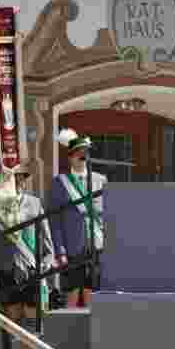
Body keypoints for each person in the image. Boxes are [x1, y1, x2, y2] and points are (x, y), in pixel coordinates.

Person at [0, 163, 55, 349]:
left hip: (31, 264)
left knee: (33, 313)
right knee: (11, 315)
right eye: (13, 178)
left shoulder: (34, 202)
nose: (17, 181)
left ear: (25, 179)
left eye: (21, 177)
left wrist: (49, 257)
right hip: (6, 265)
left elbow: (45, 233)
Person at [49, 129, 106, 308]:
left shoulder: (100, 179)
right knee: (72, 293)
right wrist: (60, 251)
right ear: (71, 157)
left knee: (92, 291)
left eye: (85, 153)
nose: (82, 156)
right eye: (78, 153)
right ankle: (68, 335)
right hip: (71, 246)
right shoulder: (60, 182)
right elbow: (55, 221)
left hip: (96, 243)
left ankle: (92, 333)